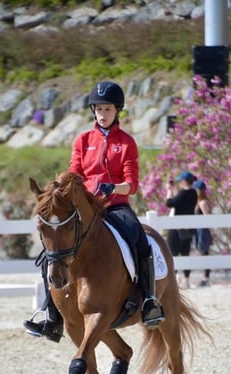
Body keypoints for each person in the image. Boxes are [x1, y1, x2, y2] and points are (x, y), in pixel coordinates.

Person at [23, 80, 165, 342]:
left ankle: (148, 301)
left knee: (140, 240)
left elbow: (131, 184)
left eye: (107, 109)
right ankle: (51, 315)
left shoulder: (126, 143)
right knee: (50, 253)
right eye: (98, 109)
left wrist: (114, 187)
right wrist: (60, 188)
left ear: (117, 111)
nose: (102, 114)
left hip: (116, 206)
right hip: (86, 210)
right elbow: (74, 173)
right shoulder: (83, 140)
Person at [165, 171, 198, 288]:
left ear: (184, 181)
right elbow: (179, 201)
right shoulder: (194, 193)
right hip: (188, 227)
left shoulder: (183, 193)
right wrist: (175, 191)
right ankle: (186, 279)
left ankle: (174, 278)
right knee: (185, 252)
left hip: (177, 227)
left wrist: (169, 191)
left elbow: (169, 203)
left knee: (172, 252)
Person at [192, 180, 213, 287]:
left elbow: (207, 218)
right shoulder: (199, 202)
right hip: (199, 230)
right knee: (203, 253)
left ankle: (206, 277)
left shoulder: (203, 203)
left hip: (203, 231)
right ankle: (205, 277)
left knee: (205, 253)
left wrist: (211, 232)